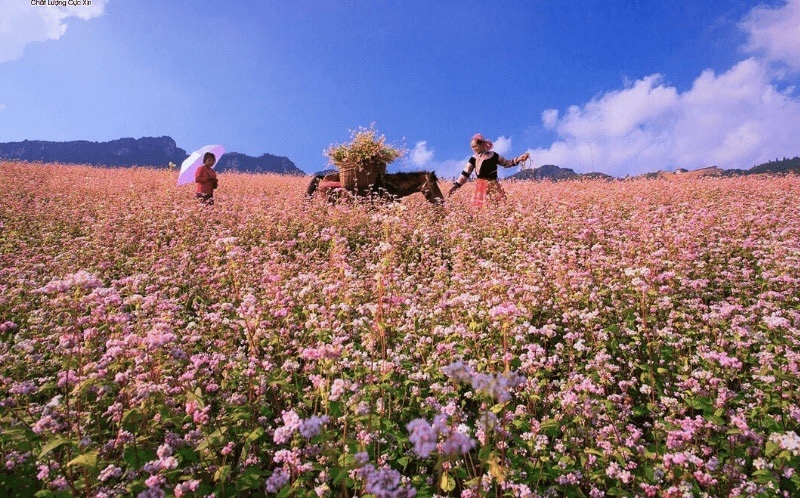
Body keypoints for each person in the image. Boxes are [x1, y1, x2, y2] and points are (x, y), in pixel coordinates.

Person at [448, 134, 529, 207]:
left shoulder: (494, 155)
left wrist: (519, 159)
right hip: (481, 186)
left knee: (500, 208)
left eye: (475, 146)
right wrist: (455, 186)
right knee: (479, 210)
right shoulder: (474, 158)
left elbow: (506, 163)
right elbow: (465, 174)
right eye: (472, 147)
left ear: (482, 144)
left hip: (494, 185)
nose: (473, 149)